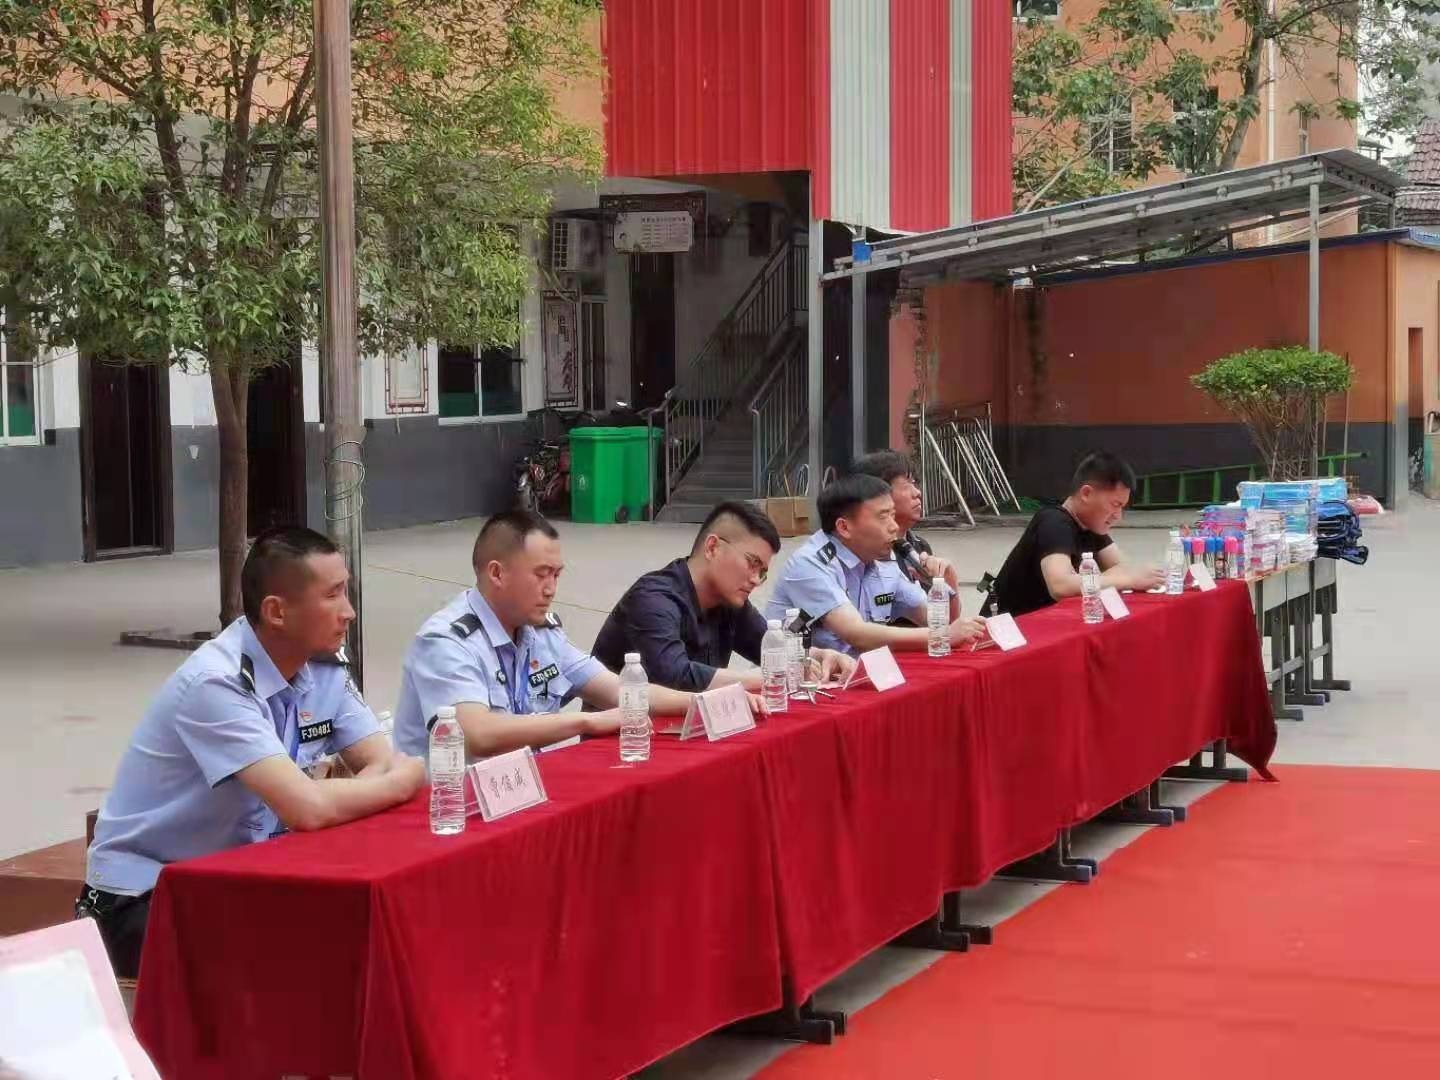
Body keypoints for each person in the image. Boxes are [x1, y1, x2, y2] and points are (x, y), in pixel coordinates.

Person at [78, 527, 425, 978]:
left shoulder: (322, 668)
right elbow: (309, 807)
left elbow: (378, 760)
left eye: (347, 592)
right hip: (147, 896)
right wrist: (400, 783)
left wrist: (374, 782)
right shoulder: (216, 683)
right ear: (277, 611)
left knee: (370, 937)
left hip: (239, 876)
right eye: (333, 595)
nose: (349, 612)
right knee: (299, 967)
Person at [393, 510, 698, 759]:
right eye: (541, 575)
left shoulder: (540, 633)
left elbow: (622, 692)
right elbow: (477, 735)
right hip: (452, 806)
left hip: (518, 794)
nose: (551, 589)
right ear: (497, 573)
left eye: (556, 575)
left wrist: (703, 702)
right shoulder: (446, 642)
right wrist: (587, 721)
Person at [593, 502, 855, 691]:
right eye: (752, 563)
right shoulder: (653, 599)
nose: (756, 579)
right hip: (624, 737)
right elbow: (675, 675)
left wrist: (818, 656)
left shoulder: (730, 601)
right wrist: (763, 678)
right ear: (713, 547)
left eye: (762, 572)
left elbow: (769, 647)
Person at [765, 474, 987, 655]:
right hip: (795, 681)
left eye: (893, 515)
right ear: (844, 527)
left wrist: (945, 579)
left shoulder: (881, 559)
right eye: (883, 517)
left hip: (857, 675)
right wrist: (942, 636)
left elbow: (939, 621)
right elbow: (856, 634)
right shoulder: (810, 564)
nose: (894, 526)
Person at [991, 451, 1165, 617]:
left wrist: (1101, 580)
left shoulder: (1090, 525)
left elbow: (1121, 567)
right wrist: (1128, 580)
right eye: (1115, 505)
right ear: (1087, 494)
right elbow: (1060, 586)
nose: (1118, 516)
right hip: (1010, 629)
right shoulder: (1053, 522)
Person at [851, 449, 959, 591]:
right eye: (907, 485)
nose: (917, 493)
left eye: (914, 483)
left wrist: (947, 577)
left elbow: (939, 604)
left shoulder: (920, 546)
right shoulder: (866, 554)